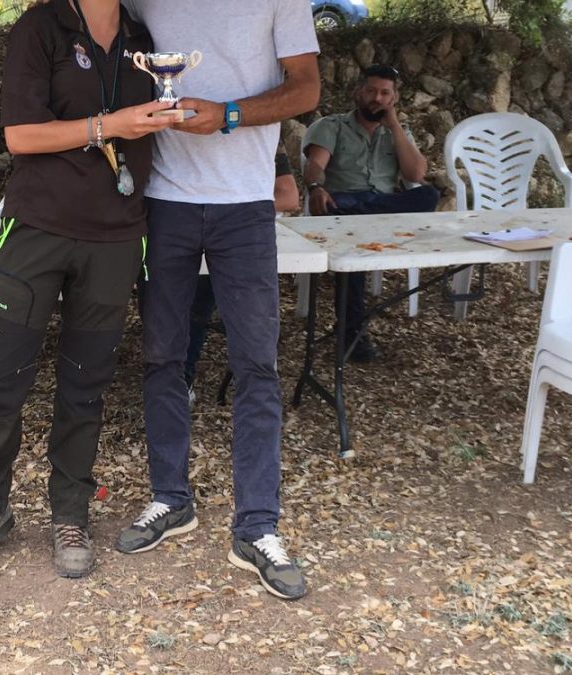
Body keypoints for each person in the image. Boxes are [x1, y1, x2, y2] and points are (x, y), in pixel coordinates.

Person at [0, 0, 175, 579]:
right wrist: (108, 126)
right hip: (37, 230)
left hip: (115, 237)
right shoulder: (42, 27)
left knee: (85, 386)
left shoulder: (144, 39)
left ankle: (71, 514)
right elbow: (20, 136)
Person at [116, 0, 320, 601]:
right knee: (161, 357)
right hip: (165, 200)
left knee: (257, 364)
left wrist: (230, 114)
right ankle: (170, 498)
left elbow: (306, 88)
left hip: (246, 204)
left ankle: (257, 526)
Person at [302, 64, 440, 362]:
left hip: (378, 212)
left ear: (394, 98)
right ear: (358, 93)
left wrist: (395, 127)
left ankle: (359, 216)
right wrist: (315, 187)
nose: (377, 99)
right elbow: (315, 166)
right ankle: (353, 335)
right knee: (350, 239)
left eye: (385, 93)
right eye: (371, 91)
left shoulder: (397, 133)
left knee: (429, 195)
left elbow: (416, 173)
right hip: (341, 207)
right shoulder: (333, 126)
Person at [184, 148, 300, 405]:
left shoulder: (262, 142)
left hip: (243, 241)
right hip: (186, 233)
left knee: (250, 322)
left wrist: (237, 206)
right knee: (188, 302)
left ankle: (192, 374)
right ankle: (182, 374)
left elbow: (290, 196)